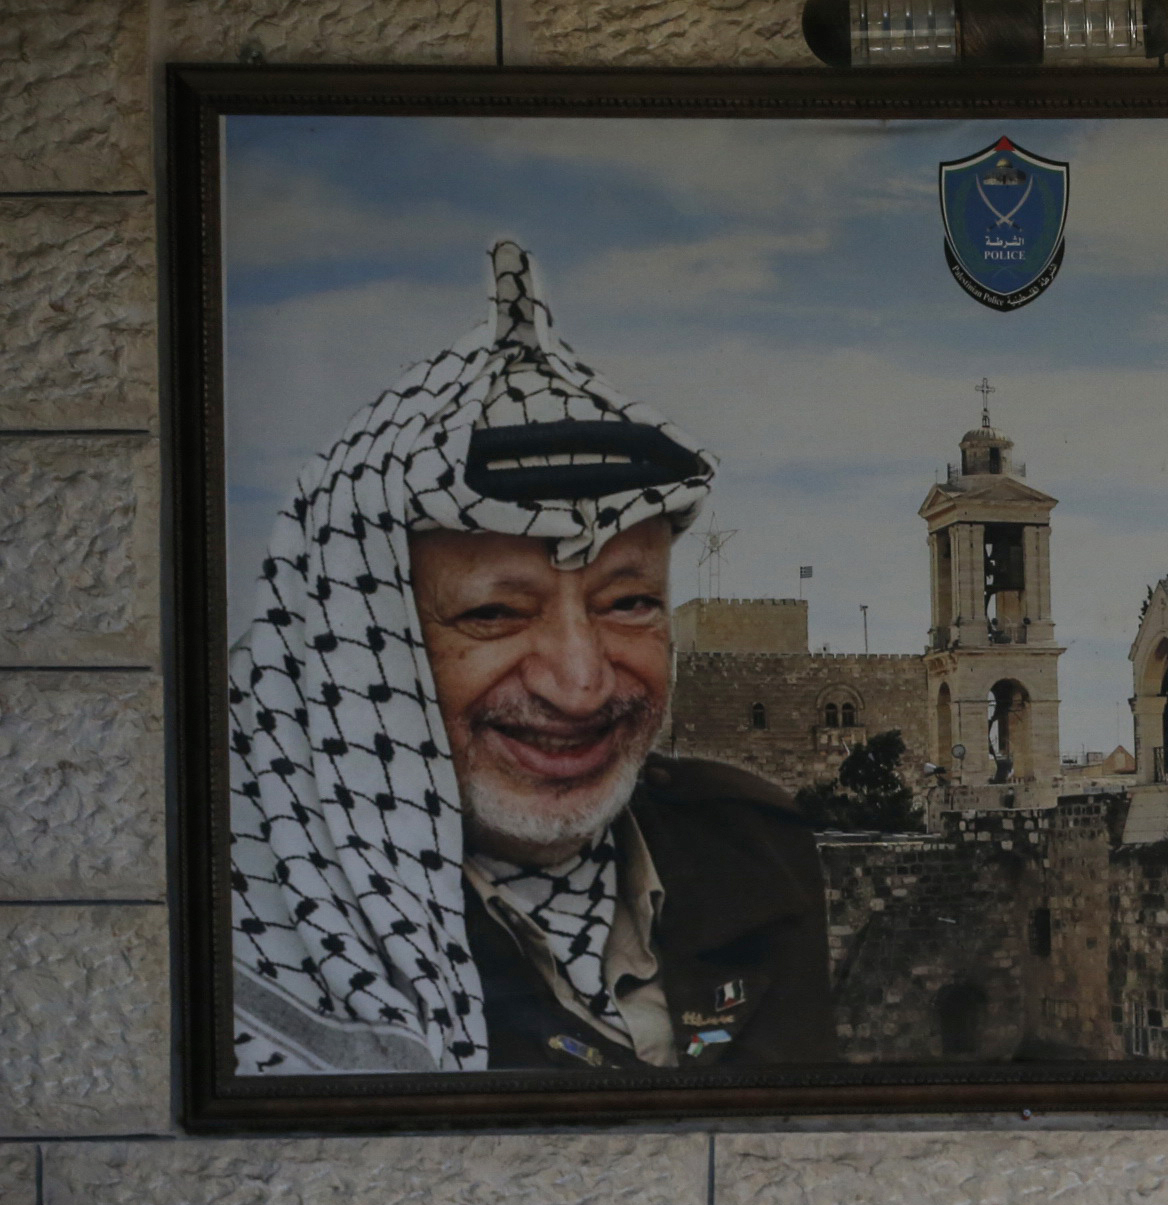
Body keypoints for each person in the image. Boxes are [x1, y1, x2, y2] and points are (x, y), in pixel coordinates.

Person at [229, 241, 836, 1075]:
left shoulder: (752, 851)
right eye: (493, 614)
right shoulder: (246, 909)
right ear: (364, 648)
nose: (580, 685)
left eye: (627, 603)